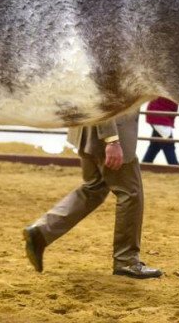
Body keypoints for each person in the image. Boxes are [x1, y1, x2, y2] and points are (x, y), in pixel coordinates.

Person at [23, 111, 162, 279]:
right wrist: (112, 140)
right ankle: (127, 261)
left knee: (94, 188)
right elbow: (107, 97)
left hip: (87, 130)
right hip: (108, 133)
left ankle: (42, 231)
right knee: (130, 193)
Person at [142, 97, 179, 165]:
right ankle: (176, 169)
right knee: (169, 145)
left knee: (155, 146)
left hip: (160, 115)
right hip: (160, 117)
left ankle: (144, 166)